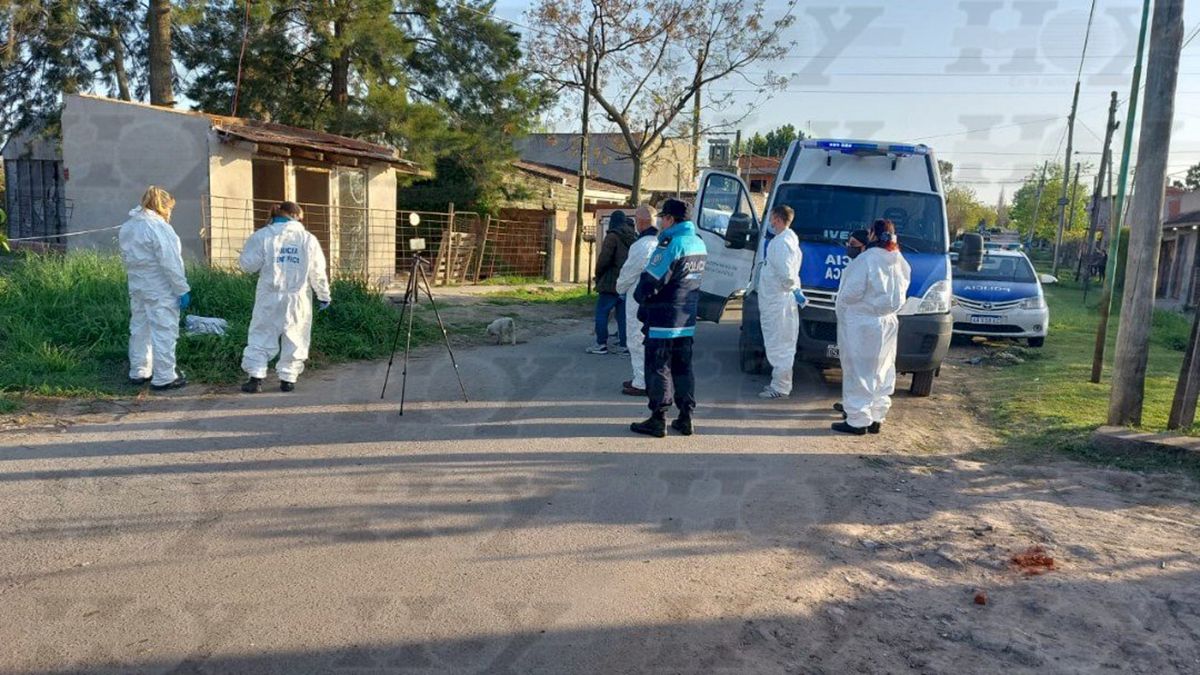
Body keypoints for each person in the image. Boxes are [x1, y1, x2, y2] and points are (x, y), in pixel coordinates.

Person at [630, 198, 707, 437]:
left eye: (663, 217)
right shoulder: (698, 243)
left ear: (670, 219)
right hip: (686, 318)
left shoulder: (670, 243)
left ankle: (658, 417)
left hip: (664, 317)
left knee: (658, 367)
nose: (661, 222)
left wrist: (639, 297)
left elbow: (651, 280)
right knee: (683, 369)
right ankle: (686, 417)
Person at [239, 201, 332, 393]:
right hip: (298, 297)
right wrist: (323, 295)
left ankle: (255, 378)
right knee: (296, 336)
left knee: (261, 334)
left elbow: (247, 266)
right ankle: (288, 379)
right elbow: (317, 271)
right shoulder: (307, 239)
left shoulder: (262, 236)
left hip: (269, 295)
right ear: (296, 216)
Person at [833, 219, 911, 435]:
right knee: (882, 370)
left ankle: (857, 420)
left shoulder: (867, 259)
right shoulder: (898, 259)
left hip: (863, 323)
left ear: (874, 235)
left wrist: (846, 308)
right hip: (888, 321)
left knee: (860, 371)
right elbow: (903, 291)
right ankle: (877, 417)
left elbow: (851, 293)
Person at [118, 185, 190, 391]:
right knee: (164, 330)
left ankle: (139, 370)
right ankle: (165, 376)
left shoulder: (129, 226)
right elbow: (170, 262)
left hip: (138, 285)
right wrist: (181, 289)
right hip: (160, 287)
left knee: (140, 328)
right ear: (163, 207)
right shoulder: (159, 227)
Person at [757, 205, 806, 399]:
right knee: (781, 342)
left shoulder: (780, 243)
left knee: (780, 344)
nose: (770, 221)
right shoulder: (789, 239)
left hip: (778, 302)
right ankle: (779, 383)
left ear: (777, 218)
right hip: (779, 300)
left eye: (771, 217)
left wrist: (792, 288)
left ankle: (780, 386)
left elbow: (786, 273)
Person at [615, 204, 659, 396]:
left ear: (640, 222)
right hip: (657, 298)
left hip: (638, 298)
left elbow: (628, 273)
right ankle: (647, 378)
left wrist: (619, 288)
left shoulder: (641, 246)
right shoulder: (661, 243)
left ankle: (641, 381)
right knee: (651, 340)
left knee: (636, 338)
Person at [587, 210, 636, 355]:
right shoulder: (633, 237)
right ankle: (624, 344)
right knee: (622, 315)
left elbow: (604, 260)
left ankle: (601, 343)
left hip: (610, 281)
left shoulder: (612, 236)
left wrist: (598, 274)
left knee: (602, 312)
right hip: (626, 280)